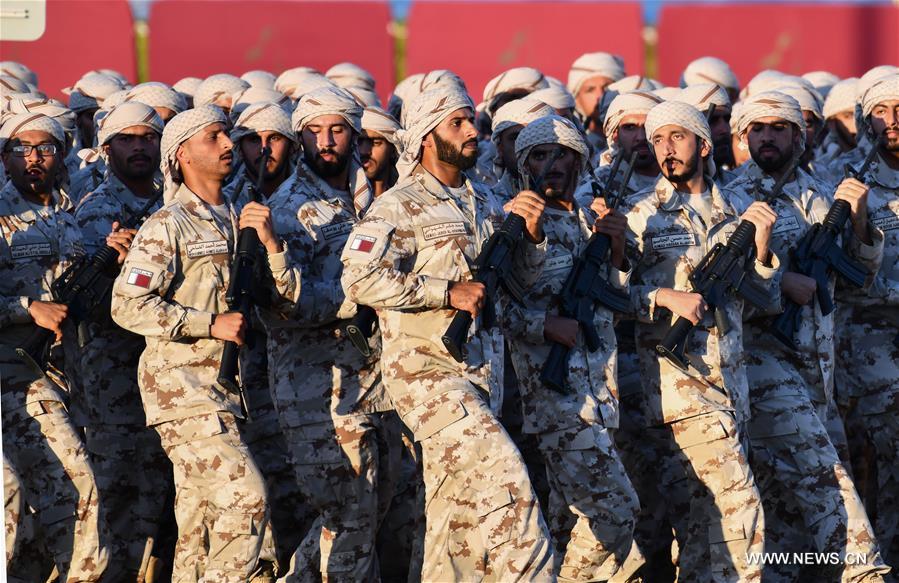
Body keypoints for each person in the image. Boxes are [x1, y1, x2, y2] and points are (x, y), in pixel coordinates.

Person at [341, 87, 555, 580]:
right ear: (425, 135)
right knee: (508, 481)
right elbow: (358, 278)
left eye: (469, 121)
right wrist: (445, 291)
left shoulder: (487, 200)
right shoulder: (396, 206)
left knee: (454, 523)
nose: (471, 131)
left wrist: (533, 238)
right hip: (426, 375)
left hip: (482, 374)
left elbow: (517, 286)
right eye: (457, 123)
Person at [724, 91, 889, 582]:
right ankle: (868, 573)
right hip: (763, 366)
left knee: (788, 522)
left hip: (819, 375)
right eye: (759, 128)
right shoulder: (730, 198)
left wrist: (860, 221)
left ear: (801, 135)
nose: (768, 136)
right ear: (744, 136)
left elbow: (861, 278)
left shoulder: (822, 194)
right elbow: (720, 285)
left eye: (779, 127)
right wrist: (778, 279)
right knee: (831, 490)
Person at [110, 105, 278, 581]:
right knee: (247, 499)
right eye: (214, 138)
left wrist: (272, 245)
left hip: (233, 392)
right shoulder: (168, 224)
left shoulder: (241, 218)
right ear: (182, 154)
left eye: (227, 136)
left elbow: (281, 302)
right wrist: (209, 323)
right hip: (181, 391)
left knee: (199, 526)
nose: (228, 145)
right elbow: (127, 304)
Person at [620, 100, 778, 581]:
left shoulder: (737, 211)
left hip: (731, 382)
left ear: (704, 145)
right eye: (658, 140)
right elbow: (613, 294)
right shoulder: (641, 215)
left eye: (678, 137)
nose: (666, 149)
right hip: (680, 387)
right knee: (741, 509)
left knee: (701, 525)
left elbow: (765, 301)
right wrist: (665, 296)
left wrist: (764, 248)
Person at [262, 85, 398, 580]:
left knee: (370, 507)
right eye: (315, 131)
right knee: (349, 509)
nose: (327, 141)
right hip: (315, 383)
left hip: (374, 376)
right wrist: (362, 297)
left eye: (337, 130)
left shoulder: (373, 196)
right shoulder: (290, 207)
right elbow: (282, 306)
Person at [501, 114, 642, 581]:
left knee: (567, 522)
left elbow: (616, 303)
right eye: (539, 156)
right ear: (524, 165)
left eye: (562, 154)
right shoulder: (514, 222)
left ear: (580, 160)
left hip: (601, 393)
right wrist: (545, 326)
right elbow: (494, 307)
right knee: (617, 512)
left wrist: (617, 252)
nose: (552, 165)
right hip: (555, 397)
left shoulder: (590, 217)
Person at [0, 112, 108, 581]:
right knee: (78, 484)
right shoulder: (4, 218)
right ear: (5, 158)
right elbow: (34, 304)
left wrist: (107, 261)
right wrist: (28, 307)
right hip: (17, 372)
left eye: (45, 148)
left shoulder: (67, 212)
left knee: (47, 501)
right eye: (22, 148)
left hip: (69, 371)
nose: (34, 158)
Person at [73, 102, 175, 580]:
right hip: (112, 369)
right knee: (114, 486)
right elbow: (91, 298)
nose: (139, 147)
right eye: (127, 139)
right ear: (106, 147)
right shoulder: (97, 209)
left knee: (156, 490)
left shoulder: (172, 203)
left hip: (165, 367)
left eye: (147, 138)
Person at [835, 74, 899, 571]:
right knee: (880, 472)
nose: (893, 120)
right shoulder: (845, 179)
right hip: (868, 346)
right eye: (882, 110)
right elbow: (847, 278)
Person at [359, 106, 403, 197]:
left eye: (376, 143)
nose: (364, 151)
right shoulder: (337, 203)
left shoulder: (405, 201)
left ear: (393, 150)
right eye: (358, 142)